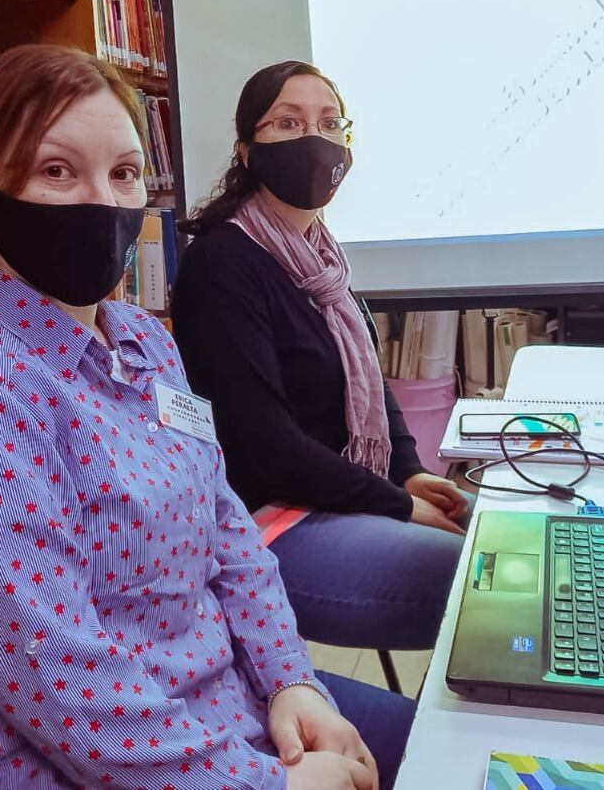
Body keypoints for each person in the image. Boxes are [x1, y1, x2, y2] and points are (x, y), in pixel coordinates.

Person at [0, 44, 412, 790]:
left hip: (234, 710)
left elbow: (227, 529)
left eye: (122, 173)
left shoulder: (143, 342)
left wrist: (292, 682)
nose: (102, 202)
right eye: (57, 171)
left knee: (478, 752)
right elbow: (64, 684)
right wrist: (265, 786)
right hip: (89, 768)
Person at [171, 61, 469, 652]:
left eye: (331, 124)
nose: (315, 139)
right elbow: (264, 446)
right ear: (247, 150)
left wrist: (407, 469)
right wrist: (395, 503)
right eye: (288, 122)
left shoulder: (320, 260)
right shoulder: (221, 265)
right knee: (486, 587)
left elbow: (368, 383)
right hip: (269, 520)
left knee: (508, 545)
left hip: (339, 494)